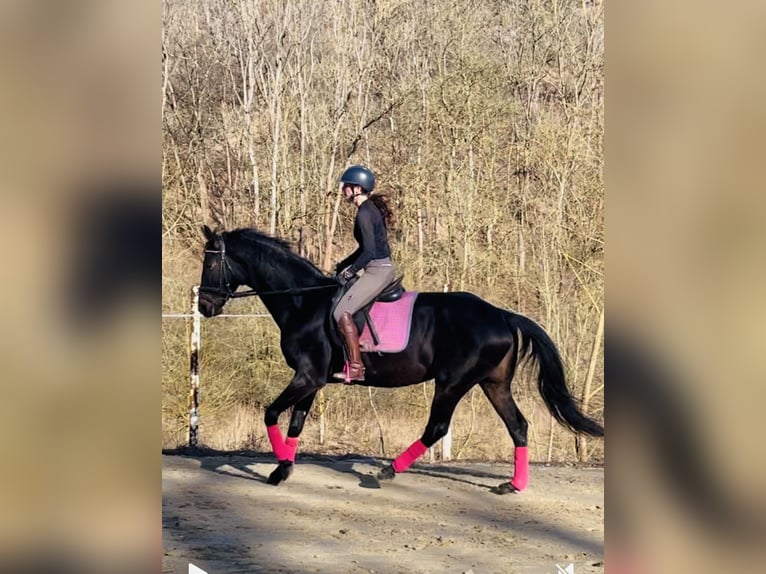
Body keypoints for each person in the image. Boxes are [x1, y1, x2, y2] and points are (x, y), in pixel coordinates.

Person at [332, 165, 397, 382]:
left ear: (357, 188)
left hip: (378, 271)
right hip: (377, 266)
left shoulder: (365, 214)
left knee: (340, 312)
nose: (344, 190)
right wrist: (344, 263)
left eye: (347, 186)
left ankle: (357, 368)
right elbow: (363, 249)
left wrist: (350, 272)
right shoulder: (368, 209)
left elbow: (369, 252)